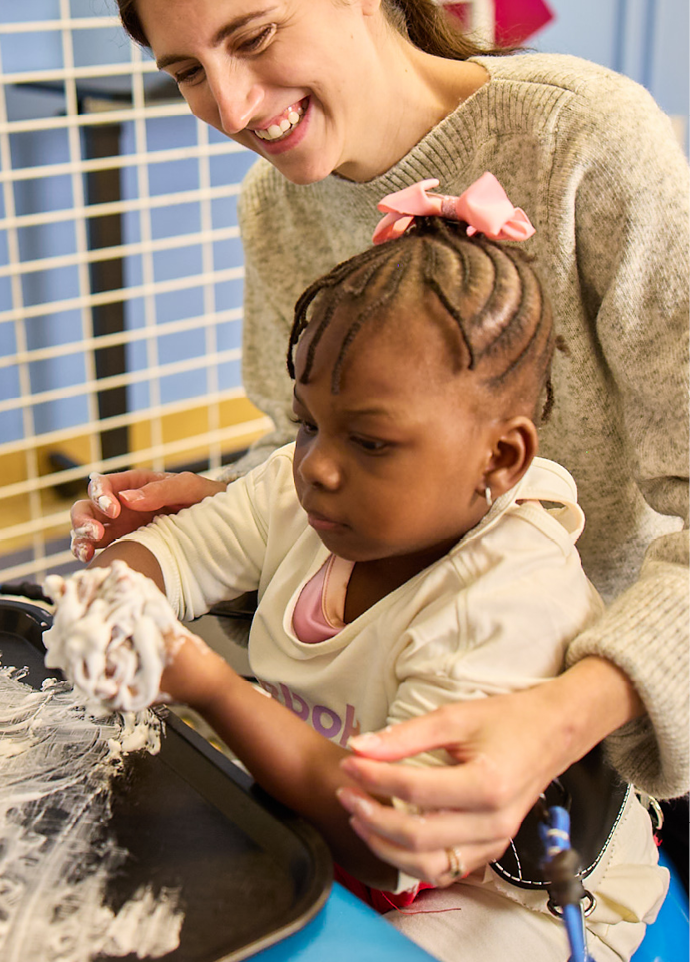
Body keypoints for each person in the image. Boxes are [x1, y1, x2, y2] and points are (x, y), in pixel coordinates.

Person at [70, 0, 689, 888]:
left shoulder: (587, 142)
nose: (227, 106)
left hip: (606, 729)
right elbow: (314, 445)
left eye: (252, 36)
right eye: (186, 70)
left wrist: (558, 712)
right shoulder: (277, 208)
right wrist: (231, 500)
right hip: (402, 719)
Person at [60, 197, 668, 962]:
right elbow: (173, 552)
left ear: (501, 459)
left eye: (371, 441)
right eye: (308, 420)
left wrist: (213, 687)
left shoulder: (504, 600)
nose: (316, 463)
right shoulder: (302, 486)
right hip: (329, 821)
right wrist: (114, 601)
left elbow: (388, 840)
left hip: (520, 890)